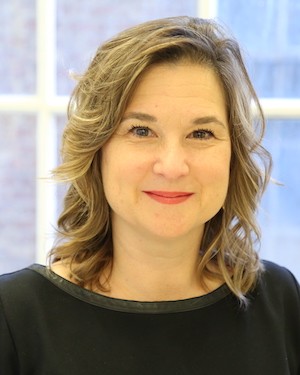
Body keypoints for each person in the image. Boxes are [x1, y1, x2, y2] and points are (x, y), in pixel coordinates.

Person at [0, 16, 299, 375]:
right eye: (141, 130)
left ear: (233, 156)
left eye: (201, 133)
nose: (172, 166)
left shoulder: (281, 303)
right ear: (97, 151)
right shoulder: (14, 317)